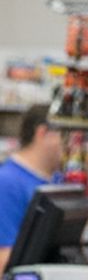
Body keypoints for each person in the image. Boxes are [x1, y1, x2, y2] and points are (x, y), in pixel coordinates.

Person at [0, 105, 64, 270]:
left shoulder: (59, 180)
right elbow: (4, 259)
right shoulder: (7, 183)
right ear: (43, 133)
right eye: (64, 135)